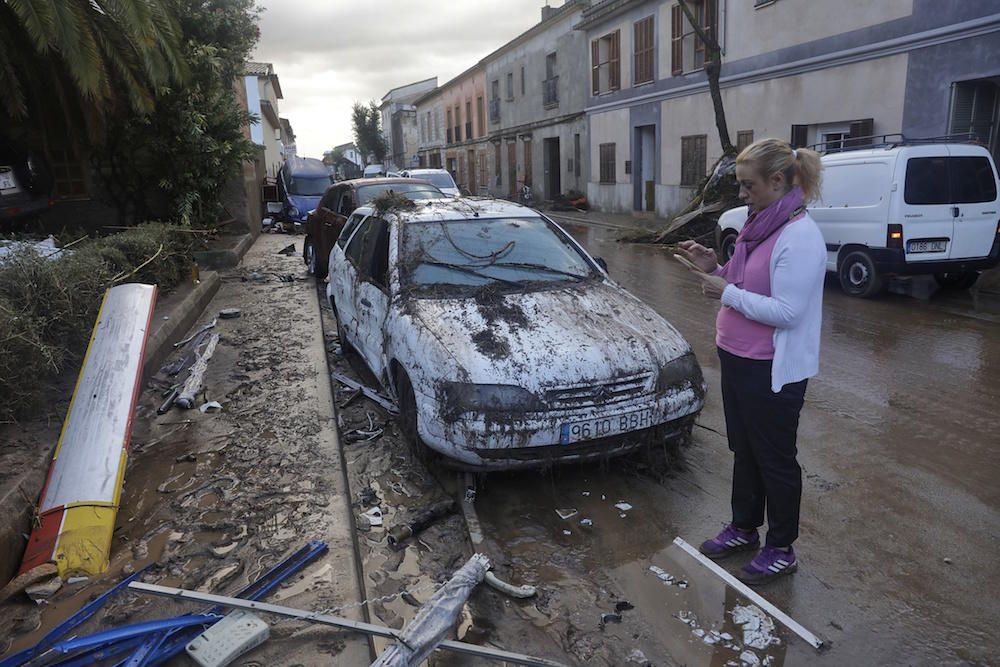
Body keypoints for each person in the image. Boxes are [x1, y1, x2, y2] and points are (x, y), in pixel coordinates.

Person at [678, 138, 826, 585]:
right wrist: (716, 268)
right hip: (738, 358)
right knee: (745, 450)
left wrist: (727, 292)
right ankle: (744, 528)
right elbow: (743, 281)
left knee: (775, 457)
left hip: (771, 369)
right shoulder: (758, 223)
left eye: (748, 185)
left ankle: (781, 546)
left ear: (778, 181)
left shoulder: (798, 236)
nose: (741, 195)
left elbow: (787, 311)